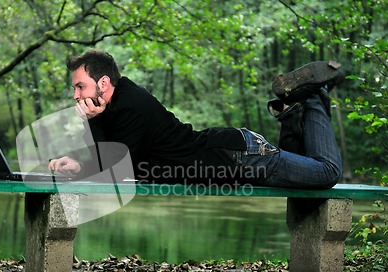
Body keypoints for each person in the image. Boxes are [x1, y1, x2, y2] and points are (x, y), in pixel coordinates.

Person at [49, 50, 344, 189]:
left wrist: (90, 122)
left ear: (102, 83)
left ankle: (312, 97)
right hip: (235, 161)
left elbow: (117, 170)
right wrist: (77, 162)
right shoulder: (117, 104)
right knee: (310, 170)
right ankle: (292, 108)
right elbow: (109, 156)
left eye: (80, 86)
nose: (76, 96)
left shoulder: (130, 106)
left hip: (242, 158)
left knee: (328, 173)